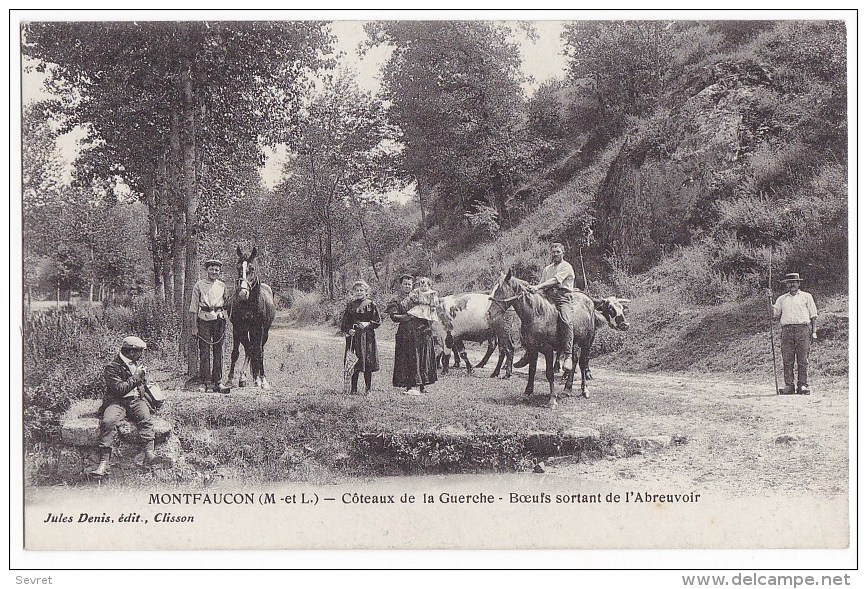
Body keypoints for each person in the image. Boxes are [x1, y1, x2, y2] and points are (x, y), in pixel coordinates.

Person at [90, 336, 168, 477]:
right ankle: (103, 462)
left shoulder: (136, 364)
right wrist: (137, 377)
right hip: (117, 402)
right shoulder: (112, 367)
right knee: (108, 421)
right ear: (131, 352)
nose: (141, 355)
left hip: (136, 400)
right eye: (140, 352)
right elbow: (119, 389)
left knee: (146, 419)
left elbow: (140, 385)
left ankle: (149, 454)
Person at [527, 242, 576, 374]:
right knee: (530, 317)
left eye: (558, 252)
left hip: (562, 298)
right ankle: (528, 350)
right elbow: (542, 285)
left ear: (563, 253)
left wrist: (538, 287)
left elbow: (556, 280)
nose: (555, 254)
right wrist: (533, 291)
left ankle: (568, 355)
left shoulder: (566, 267)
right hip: (548, 297)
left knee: (566, 320)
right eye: (553, 252)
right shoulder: (547, 269)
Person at [386, 274, 438, 396]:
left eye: (409, 284)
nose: (407, 286)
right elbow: (393, 316)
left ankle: (422, 385)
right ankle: (410, 385)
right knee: (409, 359)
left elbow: (431, 309)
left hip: (423, 331)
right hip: (406, 333)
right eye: (405, 284)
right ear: (401, 285)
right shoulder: (397, 300)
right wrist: (408, 317)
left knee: (423, 358)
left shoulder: (420, 295)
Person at [768, 272, 818, 395]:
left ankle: (802, 385)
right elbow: (773, 314)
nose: (792, 284)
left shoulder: (807, 296)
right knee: (787, 359)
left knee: (803, 359)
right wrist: (769, 299)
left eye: (794, 282)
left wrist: (814, 332)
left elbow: (813, 315)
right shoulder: (781, 299)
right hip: (787, 331)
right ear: (786, 285)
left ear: (799, 283)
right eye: (789, 282)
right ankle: (789, 386)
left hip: (803, 329)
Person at [189, 258, 229, 393]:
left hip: (219, 320)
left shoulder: (222, 286)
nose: (214, 272)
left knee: (219, 351)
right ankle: (205, 382)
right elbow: (194, 307)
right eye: (211, 269)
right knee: (204, 351)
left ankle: (218, 382)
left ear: (219, 272)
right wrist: (194, 327)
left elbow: (227, 305)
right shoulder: (199, 285)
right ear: (207, 270)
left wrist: (225, 319)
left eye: (216, 270)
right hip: (203, 320)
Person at [340, 280, 382, 394]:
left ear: (366, 292)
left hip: (367, 337)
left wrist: (368, 324)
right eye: (357, 290)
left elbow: (378, 321)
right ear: (353, 292)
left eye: (361, 290)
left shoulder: (371, 304)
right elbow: (344, 322)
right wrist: (349, 330)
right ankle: (353, 389)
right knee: (354, 362)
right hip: (354, 338)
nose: (359, 292)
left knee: (367, 362)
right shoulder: (350, 305)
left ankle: (368, 389)